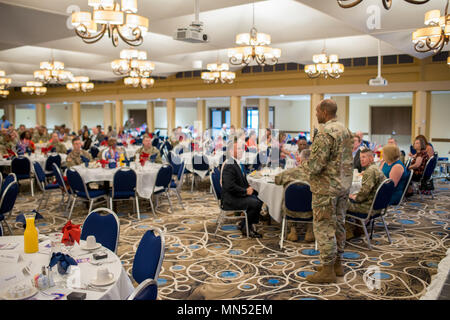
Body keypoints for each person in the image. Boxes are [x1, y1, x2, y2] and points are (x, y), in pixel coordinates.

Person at [304, 99, 353, 284]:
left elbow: (316, 166)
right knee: (339, 224)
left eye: (317, 111)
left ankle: (327, 270)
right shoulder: (345, 130)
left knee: (324, 227)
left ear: (324, 112)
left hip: (326, 189)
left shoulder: (325, 133)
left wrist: (303, 163)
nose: (316, 115)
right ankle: (337, 263)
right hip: (343, 186)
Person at [221, 137, 263, 238]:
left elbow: (240, 181)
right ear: (231, 152)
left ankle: (244, 223)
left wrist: (249, 187)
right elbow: (229, 186)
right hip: (230, 199)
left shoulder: (238, 163)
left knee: (260, 196)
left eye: (241, 148)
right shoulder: (229, 164)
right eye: (239, 149)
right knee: (255, 203)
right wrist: (245, 191)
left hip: (236, 194)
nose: (242, 151)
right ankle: (247, 228)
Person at [274, 149, 314, 242]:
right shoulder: (317, 175)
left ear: (300, 159)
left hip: (290, 210)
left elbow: (277, 180)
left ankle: (293, 230)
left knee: (292, 197)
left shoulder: (290, 172)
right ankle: (310, 230)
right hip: (310, 211)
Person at [346, 148, 387, 239]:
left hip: (368, 208)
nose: (361, 160)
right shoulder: (375, 168)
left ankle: (348, 232)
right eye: (360, 157)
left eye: (364, 157)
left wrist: (353, 197)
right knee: (352, 197)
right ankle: (359, 229)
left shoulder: (370, 171)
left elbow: (362, 196)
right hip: (378, 206)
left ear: (371, 158)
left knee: (341, 202)